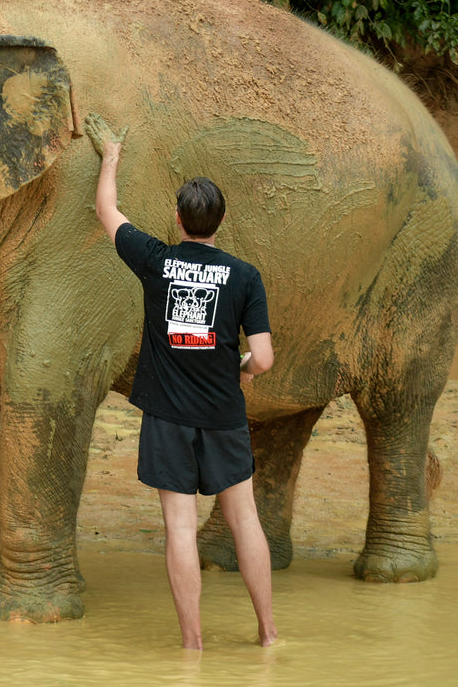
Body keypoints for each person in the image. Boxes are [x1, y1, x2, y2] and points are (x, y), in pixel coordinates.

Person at [87, 111, 277, 650]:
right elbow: (262, 358)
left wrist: (112, 156)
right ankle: (267, 634)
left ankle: (192, 644)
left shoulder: (157, 261)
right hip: (223, 415)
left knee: (180, 528)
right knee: (245, 523)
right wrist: (237, 368)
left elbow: (105, 210)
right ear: (220, 221)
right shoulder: (244, 276)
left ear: (177, 218)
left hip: (168, 418)